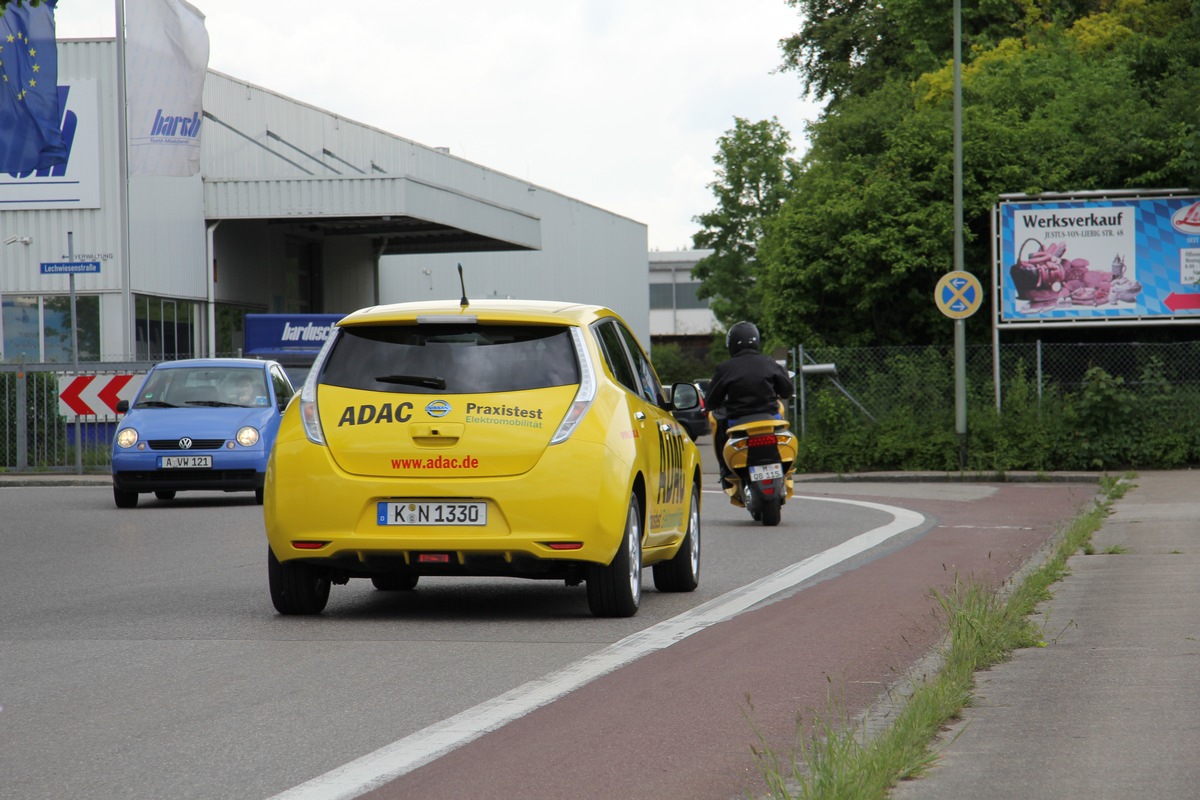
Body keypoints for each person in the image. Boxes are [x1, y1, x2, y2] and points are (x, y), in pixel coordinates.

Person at [705, 321, 794, 488]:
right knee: (783, 427)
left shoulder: (725, 368)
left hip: (738, 422)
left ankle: (726, 472)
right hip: (770, 419)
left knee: (718, 426)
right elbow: (788, 390)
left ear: (731, 344)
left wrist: (713, 404)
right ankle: (785, 469)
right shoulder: (769, 362)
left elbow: (711, 401)